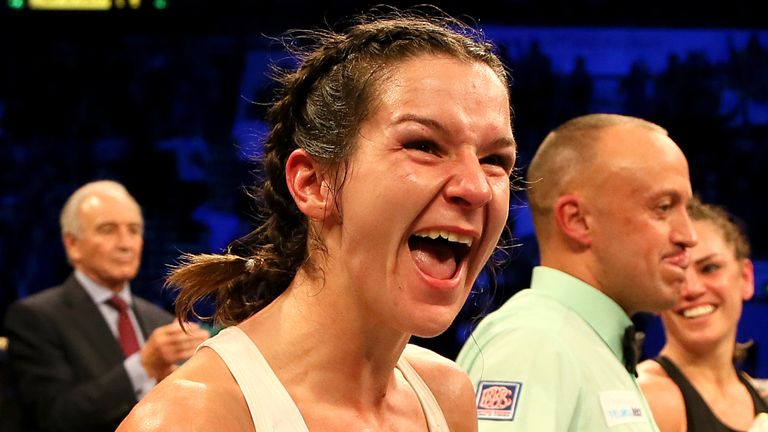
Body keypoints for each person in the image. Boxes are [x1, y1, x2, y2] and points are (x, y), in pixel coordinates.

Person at [117, 9, 517, 432]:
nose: (477, 187)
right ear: (313, 183)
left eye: (495, 160)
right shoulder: (192, 418)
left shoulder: (447, 395)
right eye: (424, 145)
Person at [457, 113, 698, 431]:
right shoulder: (535, 343)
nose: (688, 235)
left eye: (687, 209)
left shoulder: (576, 343)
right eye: (663, 207)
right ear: (577, 220)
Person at [3, 180, 209, 432]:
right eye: (108, 230)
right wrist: (143, 366)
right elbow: (54, 417)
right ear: (72, 244)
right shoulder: (34, 318)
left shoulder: (160, 321)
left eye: (133, 230)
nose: (125, 244)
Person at [637, 197, 768, 432]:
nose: (693, 289)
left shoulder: (756, 396)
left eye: (710, 268)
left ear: (746, 278)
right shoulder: (651, 398)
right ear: (656, 293)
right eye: (676, 272)